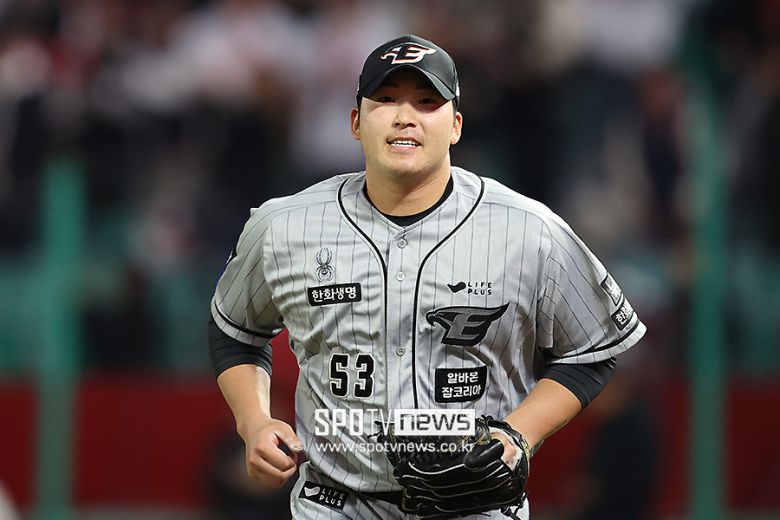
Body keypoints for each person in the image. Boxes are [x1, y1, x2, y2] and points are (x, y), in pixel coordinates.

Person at [208, 34, 646, 519]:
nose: (405, 116)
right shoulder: (284, 226)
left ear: (455, 125)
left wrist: (517, 434)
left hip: (476, 507)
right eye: (386, 99)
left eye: (426, 102)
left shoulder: (530, 230)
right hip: (334, 504)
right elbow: (235, 332)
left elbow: (592, 350)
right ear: (356, 122)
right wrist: (253, 421)